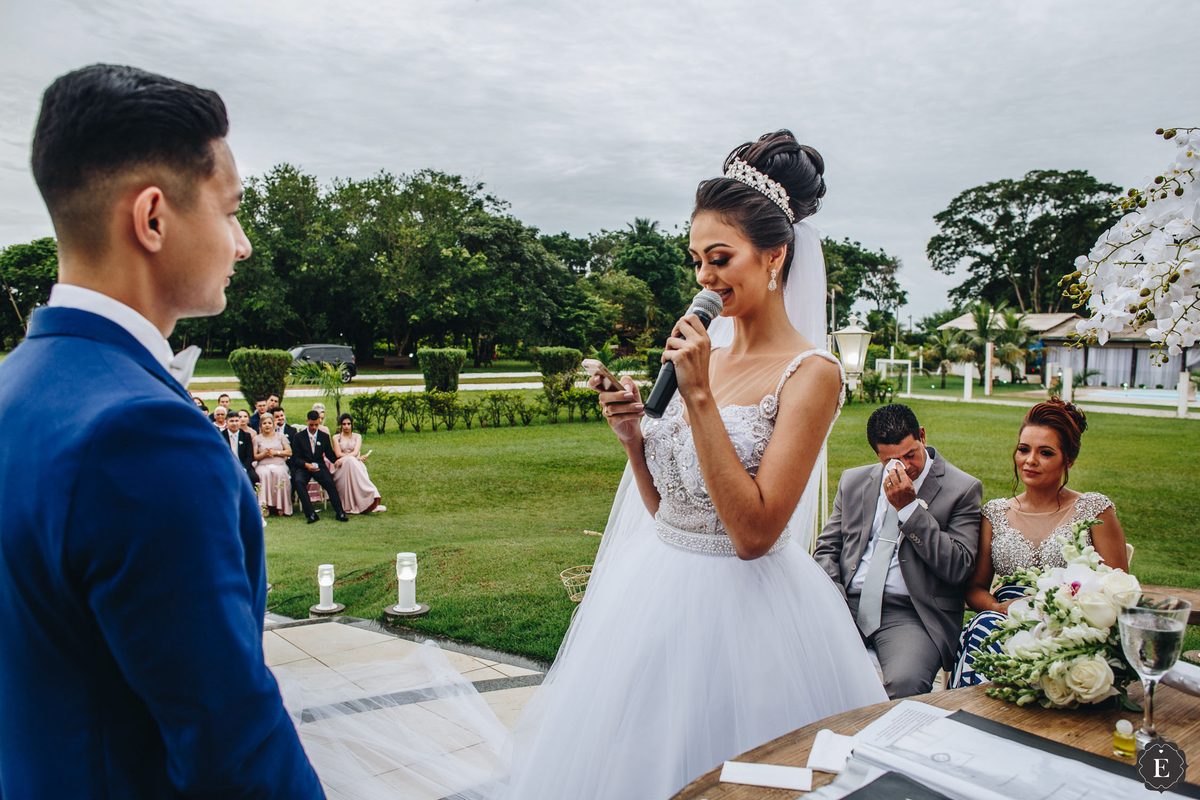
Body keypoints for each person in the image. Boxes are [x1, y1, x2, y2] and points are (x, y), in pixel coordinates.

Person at [276, 131, 887, 800]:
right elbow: (671, 512)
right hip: (657, 593)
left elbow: (752, 534)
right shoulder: (704, 351)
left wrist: (702, 396)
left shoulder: (811, 374)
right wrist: (633, 435)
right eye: (696, 261)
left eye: (720, 258)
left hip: (754, 622)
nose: (704, 280)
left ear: (774, 256)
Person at [0, 64, 321, 797]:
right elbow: (229, 744)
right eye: (231, 211)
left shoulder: (13, 388)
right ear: (152, 218)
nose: (242, 246)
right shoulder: (142, 434)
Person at [951, 398, 1129, 687]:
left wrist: (1069, 617)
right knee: (983, 628)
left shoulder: (1094, 510)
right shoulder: (995, 514)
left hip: (1073, 627)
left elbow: (1120, 591)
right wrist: (1000, 609)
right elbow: (974, 589)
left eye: (1045, 452)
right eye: (1023, 449)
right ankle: (972, 718)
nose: (1030, 460)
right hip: (1005, 619)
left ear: (1068, 460)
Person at [813, 403, 983, 699]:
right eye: (891, 460)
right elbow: (827, 548)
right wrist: (833, 598)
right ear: (877, 455)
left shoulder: (962, 489)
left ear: (922, 437)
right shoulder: (854, 482)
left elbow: (958, 566)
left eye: (910, 455)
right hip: (847, 603)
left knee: (905, 684)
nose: (903, 466)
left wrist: (909, 510)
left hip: (912, 612)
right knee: (797, 663)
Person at [291, 410, 348, 523]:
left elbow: (329, 454)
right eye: (311, 424)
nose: (313, 427)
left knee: (330, 483)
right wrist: (306, 465)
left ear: (319, 422)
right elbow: (295, 458)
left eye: (316, 424)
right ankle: (311, 513)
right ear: (307, 421)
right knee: (298, 481)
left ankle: (340, 512)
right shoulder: (298, 437)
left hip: (319, 466)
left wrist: (340, 460)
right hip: (304, 467)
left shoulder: (324, 436)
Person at [331, 413, 383, 513]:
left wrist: (346, 458)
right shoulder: (336, 437)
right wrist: (346, 459)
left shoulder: (357, 436)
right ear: (341, 425)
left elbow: (355, 452)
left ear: (352, 424)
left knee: (352, 461)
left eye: (348, 424)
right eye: (344, 424)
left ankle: (370, 493)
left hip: (355, 463)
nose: (346, 426)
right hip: (342, 467)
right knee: (350, 460)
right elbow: (338, 454)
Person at [254, 414, 293, 516]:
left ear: (273, 425)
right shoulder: (257, 438)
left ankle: (281, 506)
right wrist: (264, 454)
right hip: (263, 464)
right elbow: (255, 456)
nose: (267, 425)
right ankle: (264, 506)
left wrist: (276, 453)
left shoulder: (281, 436)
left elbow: (289, 452)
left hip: (279, 462)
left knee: (279, 473)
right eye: (264, 423)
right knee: (263, 474)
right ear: (261, 425)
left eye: (269, 423)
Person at [223, 409, 257, 487]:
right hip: (227, 465)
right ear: (226, 422)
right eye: (231, 421)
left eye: (236, 421)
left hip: (243, 465)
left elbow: (249, 456)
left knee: (254, 477)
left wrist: (243, 468)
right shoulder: (221, 436)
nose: (234, 423)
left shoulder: (246, 436)